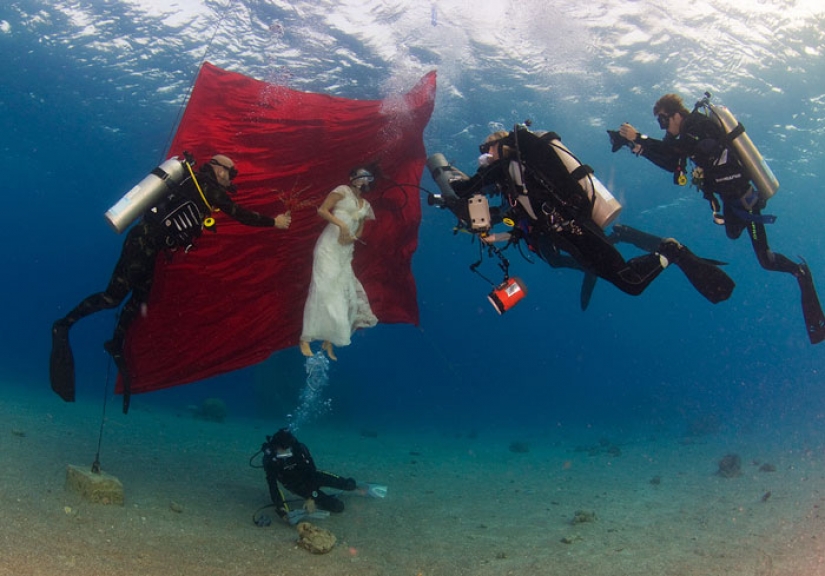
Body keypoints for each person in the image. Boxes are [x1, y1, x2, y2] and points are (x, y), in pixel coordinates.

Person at [50, 154, 292, 412]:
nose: (231, 179)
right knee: (113, 297)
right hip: (143, 241)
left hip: (151, 247)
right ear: (217, 168)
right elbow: (239, 214)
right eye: (231, 173)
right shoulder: (204, 185)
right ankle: (64, 324)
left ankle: (116, 344)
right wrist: (274, 222)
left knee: (140, 300)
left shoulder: (198, 186)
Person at [437, 126, 735, 305]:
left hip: (574, 229)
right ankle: (658, 248)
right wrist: (501, 232)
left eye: (485, 148)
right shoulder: (516, 181)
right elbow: (516, 218)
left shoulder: (509, 164)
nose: (483, 154)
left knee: (630, 283)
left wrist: (444, 191)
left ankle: (670, 250)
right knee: (626, 281)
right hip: (567, 235)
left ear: (499, 145)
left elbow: (467, 187)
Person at [614, 93, 825, 343]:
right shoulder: (687, 134)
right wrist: (639, 148)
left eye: (663, 121)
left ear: (676, 114)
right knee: (733, 233)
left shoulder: (696, 125)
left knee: (766, 259)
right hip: (731, 200)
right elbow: (673, 163)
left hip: (744, 200)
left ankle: (800, 273)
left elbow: (678, 150)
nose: (663, 128)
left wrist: (640, 138)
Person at [299, 168, 378, 360]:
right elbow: (322, 210)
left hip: (345, 250)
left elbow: (360, 230)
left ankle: (330, 338)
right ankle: (306, 337)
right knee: (323, 289)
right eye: (359, 175)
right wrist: (341, 225)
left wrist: (351, 236)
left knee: (343, 292)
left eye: (366, 176)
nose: (362, 179)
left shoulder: (365, 204)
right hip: (328, 245)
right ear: (352, 178)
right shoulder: (342, 190)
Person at [261, 428, 357, 524]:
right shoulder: (269, 460)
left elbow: (312, 471)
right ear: (275, 446)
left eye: (288, 449)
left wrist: (311, 497)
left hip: (311, 475)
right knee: (337, 507)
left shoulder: (299, 449)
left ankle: (359, 487)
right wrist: (282, 510)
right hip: (297, 486)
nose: (285, 453)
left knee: (349, 484)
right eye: (282, 449)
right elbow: (273, 486)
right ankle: (328, 497)